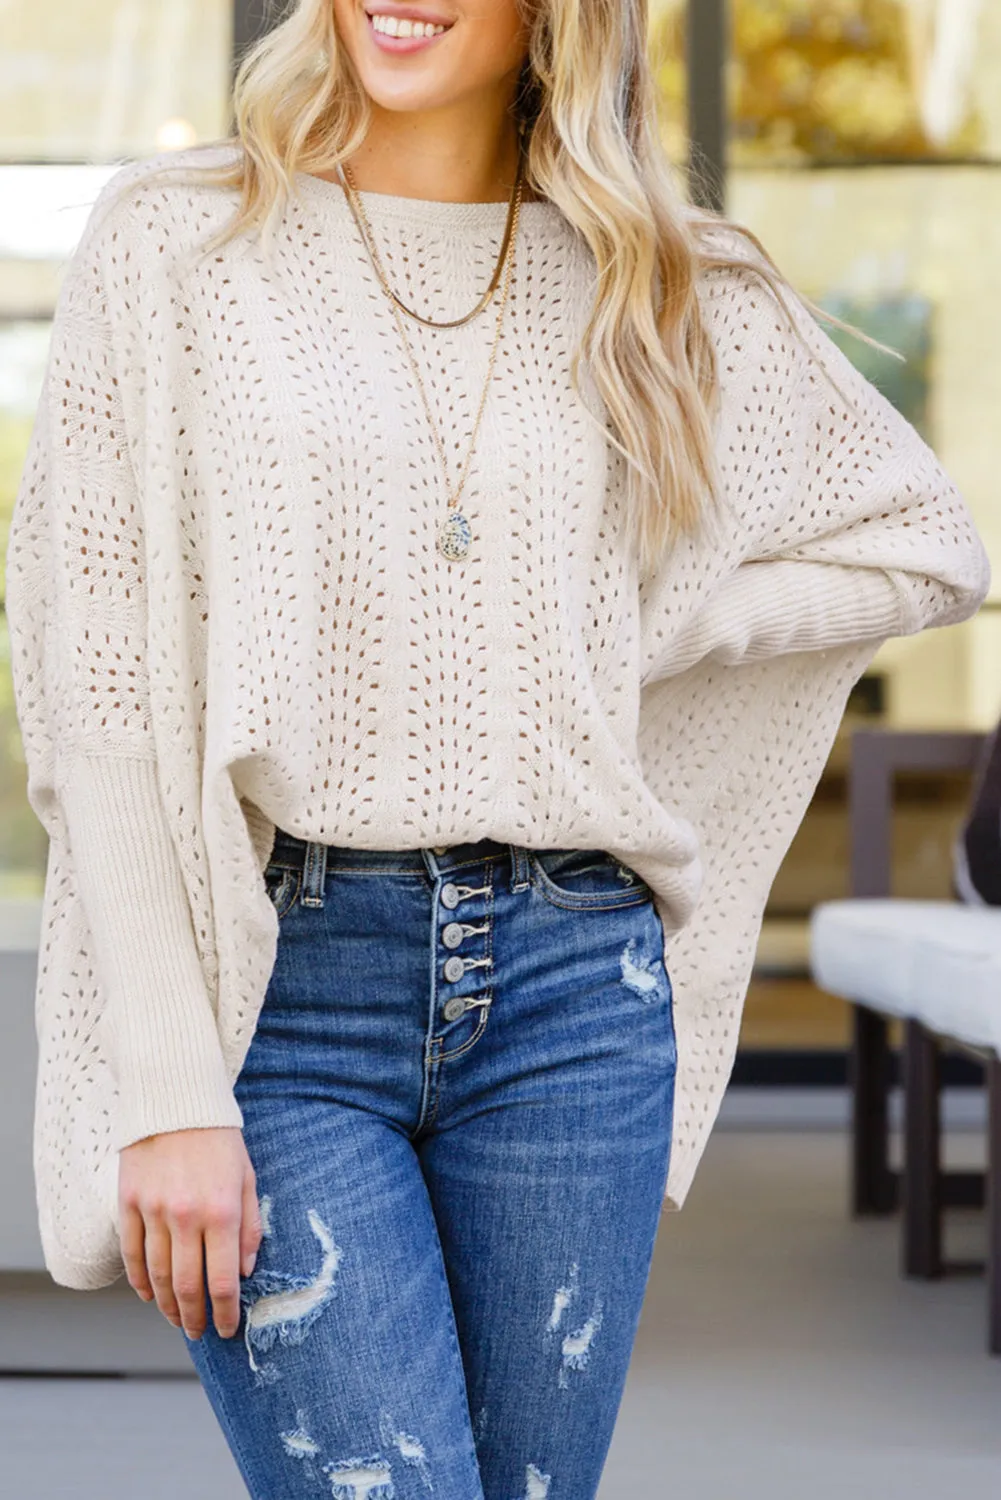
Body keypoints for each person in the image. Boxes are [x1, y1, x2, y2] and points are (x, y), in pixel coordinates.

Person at [4, 2, 990, 1497]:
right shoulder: (177, 244)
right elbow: (105, 697)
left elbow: (928, 545)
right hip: (279, 995)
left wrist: (648, 626)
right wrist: (164, 1087)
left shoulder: (660, 278)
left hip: (571, 994)